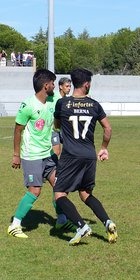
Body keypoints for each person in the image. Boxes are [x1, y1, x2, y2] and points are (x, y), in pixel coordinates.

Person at [53, 68, 117, 245]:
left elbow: (57, 125)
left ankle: (81, 226)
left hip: (70, 155)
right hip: (89, 155)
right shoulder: (95, 105)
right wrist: (104, 148)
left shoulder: (62, 104)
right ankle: (108, 222)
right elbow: (108, 128)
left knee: (59, 194)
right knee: (85, 194)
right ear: (87, 84)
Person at [7, 69, 72, 239]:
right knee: (35, 191)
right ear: (46, 86)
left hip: (48, 154)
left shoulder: (54, 100)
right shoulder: (27, 105)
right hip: (31, 155)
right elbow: (17, 130)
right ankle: (15, 224)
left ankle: (61, 220)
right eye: (52, 83)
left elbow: (67, 106)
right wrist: (16, 155)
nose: (54, 86)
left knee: (59, 186)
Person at [52, 77, 72, 157]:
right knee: (56, 152)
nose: (69, 88)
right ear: (60, 86)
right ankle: (50, 168)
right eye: (67, 86)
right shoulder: (53, 97)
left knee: (69, 150)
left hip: (64, 129)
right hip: (54, 129)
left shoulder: (67, 100)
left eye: (70, 86)